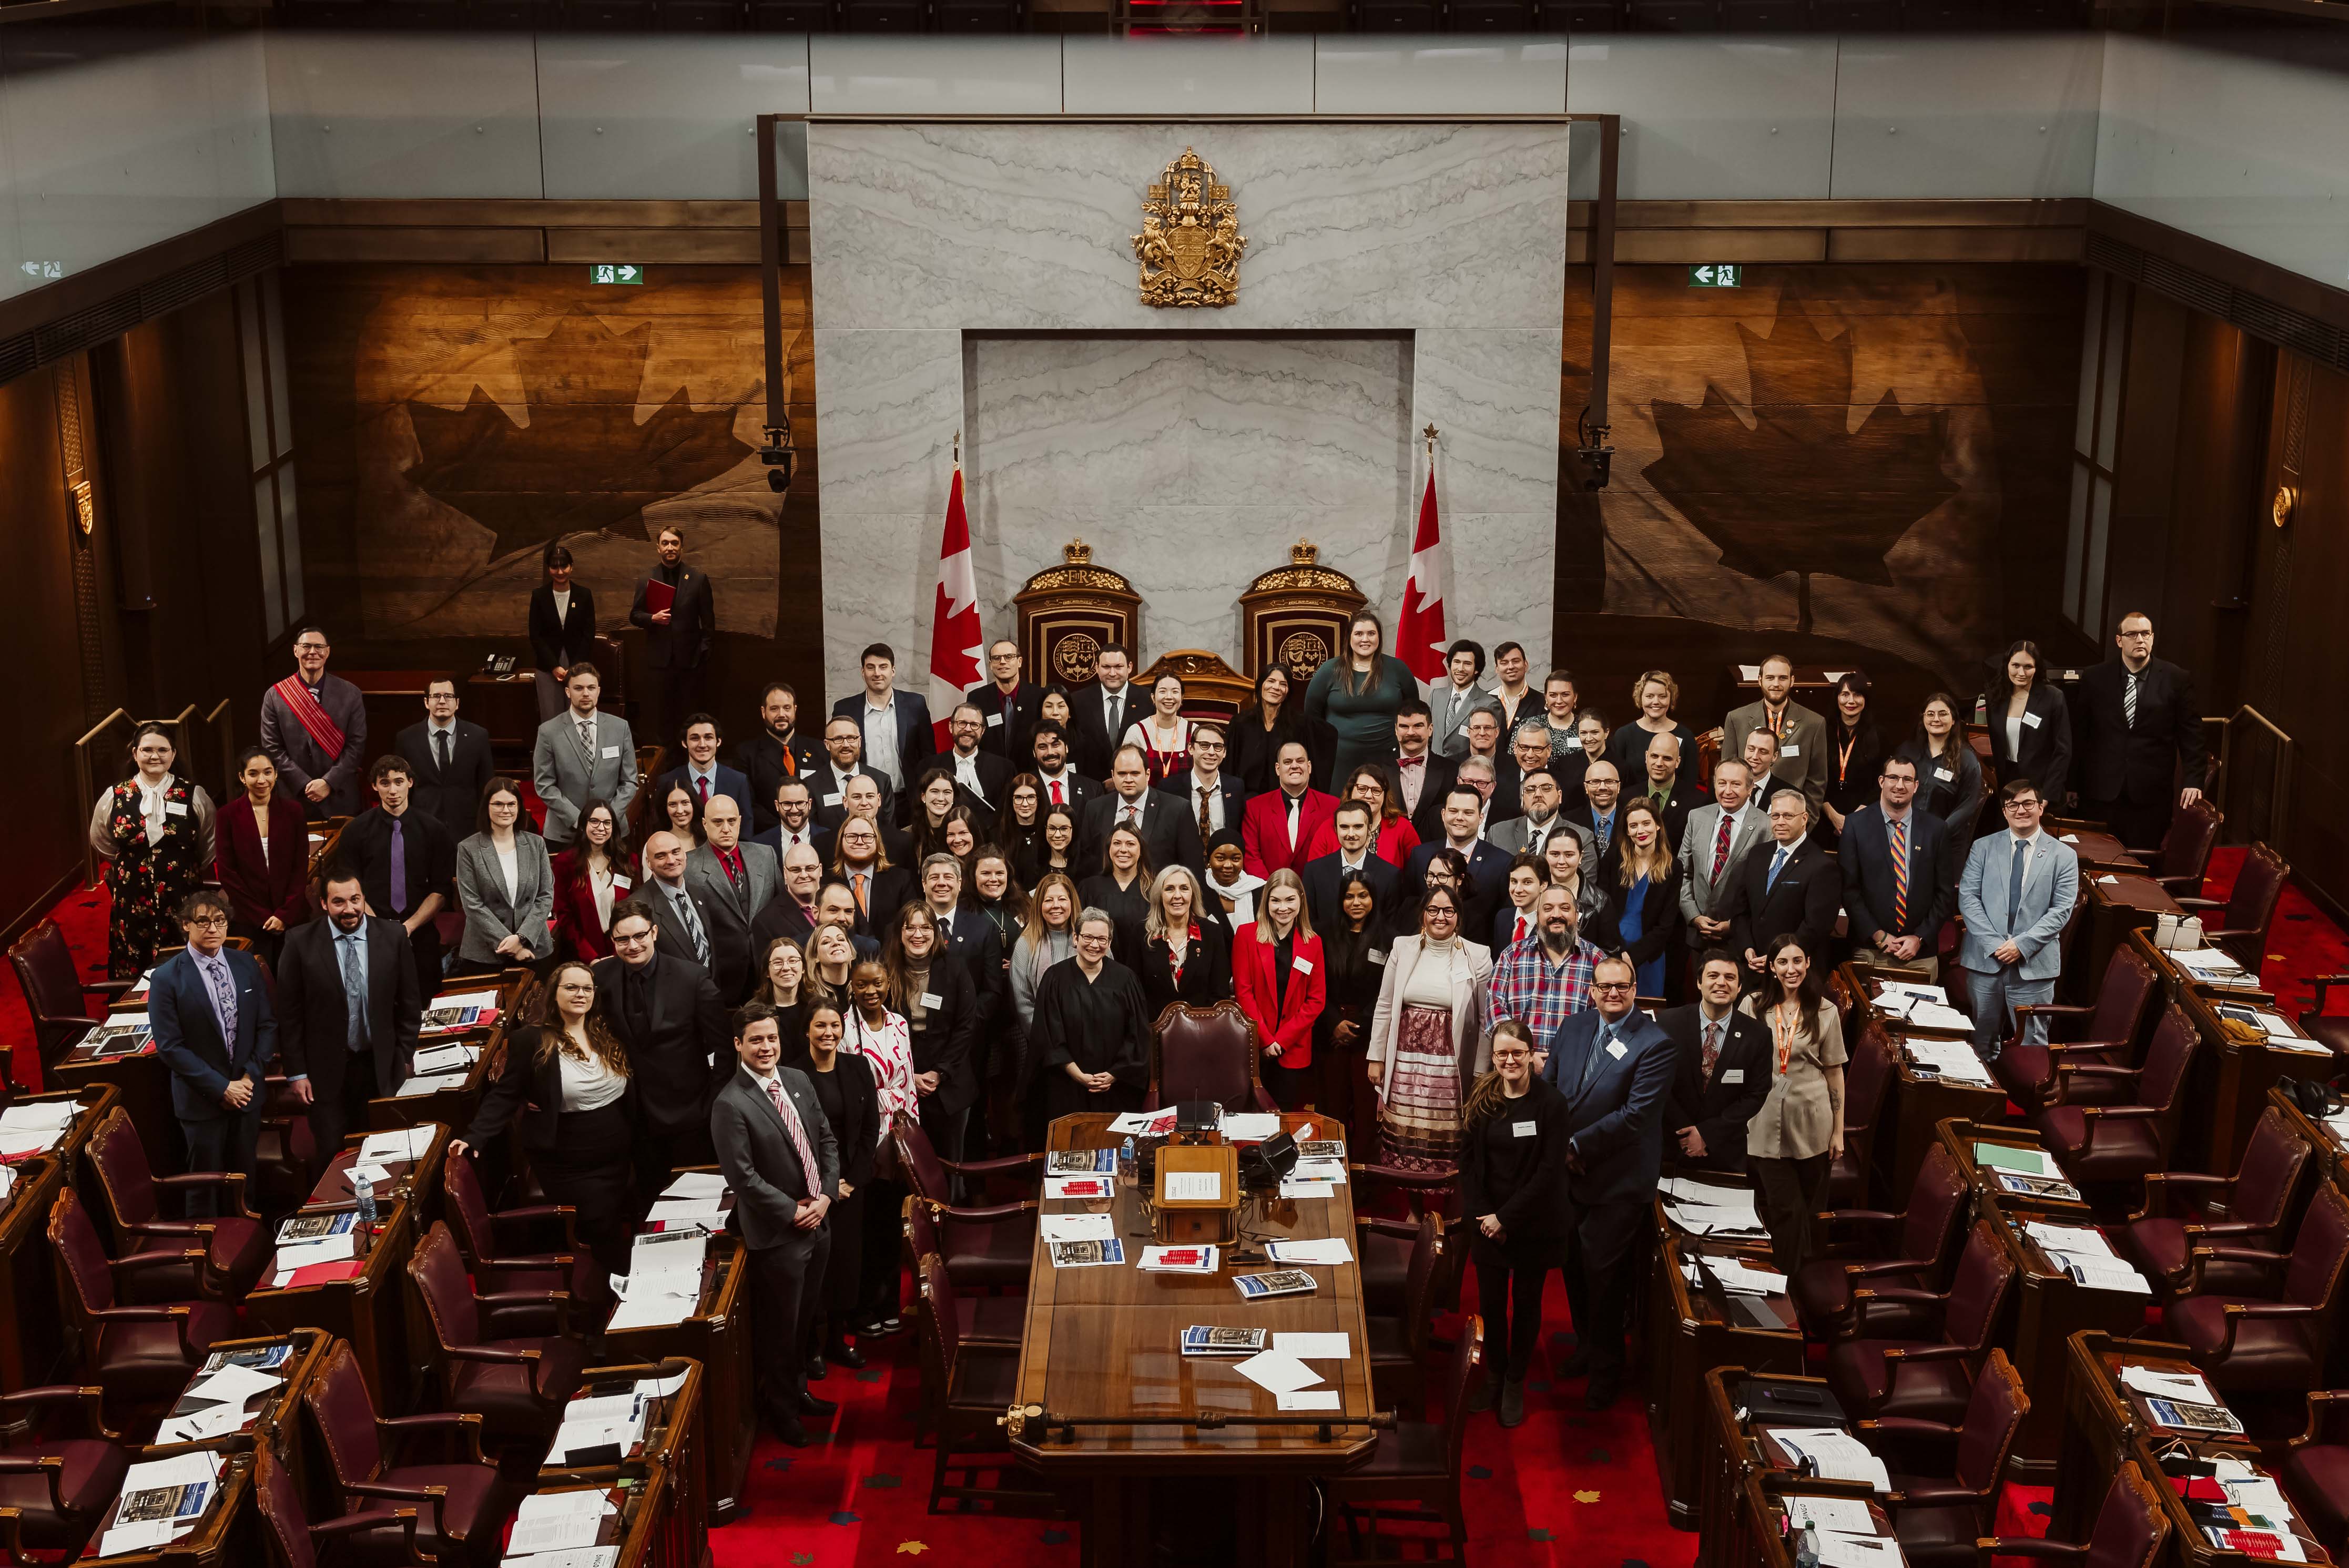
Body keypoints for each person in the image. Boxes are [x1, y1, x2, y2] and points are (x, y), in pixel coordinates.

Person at [452, 959, 642, 1289]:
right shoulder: (532, 1041)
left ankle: (616, 1287)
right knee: (601, 1227)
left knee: (619, 1218)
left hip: (618, 1152)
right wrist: (476, 1136)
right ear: (553, 994)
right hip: (569, 1159)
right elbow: (506, 1095)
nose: (580, 994)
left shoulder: (608, 1029)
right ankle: (609, 1299)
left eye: (587, 988)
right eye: (571, 987)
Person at [1541, 954, 1674, 1409]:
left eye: (1622, 986)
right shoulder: (1573, 1028)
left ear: (1634, 988)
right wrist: (1559, 1145)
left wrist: (1575, 1146)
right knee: (1573, 1268)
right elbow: (1550, 1090)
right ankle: (1586, 1346)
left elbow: (1635, 1116)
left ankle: (1607, 1368)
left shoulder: (1655, 1043)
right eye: (1605, 987)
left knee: (1604, 1278)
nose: (1613, 993)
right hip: (1569, 1175)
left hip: (1617, 1180)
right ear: (1592, 991)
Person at [708, 1000, 838, 1447]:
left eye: (772, 1038)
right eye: (756, 1040)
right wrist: (792, 1211)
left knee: (805, 1321)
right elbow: (743, 1177)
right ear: (738, 1045)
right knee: (780, 1331)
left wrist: (824, 1196)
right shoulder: (730, 1103)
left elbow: (824, 1138)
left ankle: (799, 1391)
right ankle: (781, 1411)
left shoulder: (799, 1079)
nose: (766, 1047)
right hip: (780, 1234)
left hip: (818, 1219)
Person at [1460, 1019, 1571, 1428]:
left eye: (1517, 1053)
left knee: (1525, 1306)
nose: (1509, 1060)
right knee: (1490, 1305)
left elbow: (1548, 1172)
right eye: (1502, 1053)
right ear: (1493, 1057)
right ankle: (1492, 1373)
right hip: (1486, 1221)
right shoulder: (1481, 1096)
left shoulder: (1551, 1104)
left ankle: (1514, 1381)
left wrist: (1506, 1218)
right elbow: (1468, 1163)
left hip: (1533, 1223)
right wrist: (1486, 1216)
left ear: (1530, 1054)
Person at [147, 890, 275, 1213]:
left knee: (245, 1183)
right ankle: (206, 1256)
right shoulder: (166, 978)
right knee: (205, 1189)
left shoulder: (246, 963)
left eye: (219, 921)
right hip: (202, 1102)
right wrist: (222, 1088)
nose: (213, 929)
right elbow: (170, 1048)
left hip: (246, 1095)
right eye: (203, 921)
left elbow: (266, 1026)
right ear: (186, 926)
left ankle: (249, 1248)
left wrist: (249, 1076)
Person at [596, 897, 731, 1196]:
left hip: (692, 1115)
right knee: (649, 1198)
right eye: (622, 939)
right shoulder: (600, 978)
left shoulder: (692, 977)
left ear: (654, 932)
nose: (632, 946)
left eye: (640, 936)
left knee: (696, 1197)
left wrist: (712, 1104)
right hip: (636, 1117)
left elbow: (724, 1048)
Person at [1365, 884, 1493, 1172]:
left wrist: (1480, 1071)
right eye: (1433, 910)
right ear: (1423, 914)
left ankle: (1440, 1207)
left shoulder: (1479, 955)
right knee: (1404, 1133)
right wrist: (1377, 1057)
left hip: (1449, 1069)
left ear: (1458, 916)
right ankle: (1412, 1209)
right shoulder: (1402, 947)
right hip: (1404, 1065)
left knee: (1443, 1138)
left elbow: (1487, 1018)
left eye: (1449, 911)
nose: (1440, 917)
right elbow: (1385, 1005)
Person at [1739, 934, 1846, 1276]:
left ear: (1808, 963)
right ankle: (1787, 1280)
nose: (1791, 969)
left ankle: (1795, 1282)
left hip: (1812, 1121)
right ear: (1770, 968)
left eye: (1797, 961)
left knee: (1806, 1207)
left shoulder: (1826, 1011)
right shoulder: (1752, 1006)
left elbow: (1834, 1072)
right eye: (1782, 962)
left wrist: (1838, 1131)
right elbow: (1736, 1062)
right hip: (1763, 1118)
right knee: (1785, 1206)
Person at [782, 999, 878, 1373]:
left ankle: (837, 1340)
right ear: (806, 1030)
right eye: (820, 1026)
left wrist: (851, 1180)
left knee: (845, 1266)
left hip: (850, 1186)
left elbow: (870, 1128)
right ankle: (810, 1348)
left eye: (834, 1026)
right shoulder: (790, 1073)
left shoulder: (857, 1066)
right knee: (811, 1271)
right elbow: (791, 1138)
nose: (828, 1033)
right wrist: (823, 1187)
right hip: (808, 1189)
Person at [1956, 779, 2079, 1058]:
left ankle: (2026, 1100)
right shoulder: (1983, 847)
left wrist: (2021, 946)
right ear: (2004, 811)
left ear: (2041, 807)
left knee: (2032, 1047)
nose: (2021, 810)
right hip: (1986, 960)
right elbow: (1968, 898)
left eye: (2028, 804)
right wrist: (1994, 944)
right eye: (2013, 805)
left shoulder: (2064, 856)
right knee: (1982, 1042)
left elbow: (2061, 911)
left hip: (2033, 965)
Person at [2072, 610, 2208, 851]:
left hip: (2150, 796)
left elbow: (2192, 736)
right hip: (2100, 793)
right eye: (2132, 634)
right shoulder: (2096, 677)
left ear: (2153, 638)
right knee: (2096, 860)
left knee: (2140, 867)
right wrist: (2070, 784)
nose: (2140, 640)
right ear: (2119, 640)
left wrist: (2194, 780)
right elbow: (2080, 734)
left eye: (2146, 634)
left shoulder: (2176, 679)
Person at [91, 722, 219, 980]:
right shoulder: (115, 796)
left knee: (185, 955)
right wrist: (133, 861)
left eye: (162, 750)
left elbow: (209, 841)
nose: (155, 756)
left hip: (182, 892)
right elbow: (101, 840)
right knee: (135, 956)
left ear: (173, 754)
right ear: (135, 753)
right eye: (147, 750)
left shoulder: (193, 794)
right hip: (132, 894)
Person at [842, 959, 921, 1335]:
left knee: (893, 1223)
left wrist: (911, 1137)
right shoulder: (842, 1027)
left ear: (889, 983)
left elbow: (908, 1085)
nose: (870, 991)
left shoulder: (900, 1024)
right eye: (861, 985)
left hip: (899, 1133)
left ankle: (890, 1300)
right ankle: (862, 1307)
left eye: (877, 983)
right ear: (851, 988)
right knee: (866, 1227)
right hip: (865, 1136)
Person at [341, 755, 457, 998]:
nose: (392, 790)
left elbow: (441, 890)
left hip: (421, 933)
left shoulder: (434, 830)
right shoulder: (356, 831)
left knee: (426, 1004)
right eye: (385, 783)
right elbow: (350, 889)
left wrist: (408, 928)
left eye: (398, 782)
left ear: (410, 783)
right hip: (370, 934)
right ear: (374, 786)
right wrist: (381, 929)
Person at [881, 903, 982, 1163]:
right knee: (907, 1164)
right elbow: (878, 1030)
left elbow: (966, 1026)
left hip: (949, 1079)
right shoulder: (885, 970)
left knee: (948, 1162)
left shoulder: (956, 968)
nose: (918, 934)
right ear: (899, 932)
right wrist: (909, 1076)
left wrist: (939, 1073)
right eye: (910, 927)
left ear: (936, 932)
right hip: (901, 1079)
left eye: (926, 927)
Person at [1031, 908, 1154, 1118]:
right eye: (1088, 937)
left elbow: (1137, 1035)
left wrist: (1114, 1075)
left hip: (1117, 1086)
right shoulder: (1055, 979)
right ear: (1076, 938)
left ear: (1110, 941)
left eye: (1102, 939)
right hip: (1067, 1085)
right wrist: (1078, 1075)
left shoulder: (1126, 980)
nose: (1095, 945)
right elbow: (1048, 1035)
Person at [1661, 949, 1773, 1175]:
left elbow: (1756, 1094)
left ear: (1740, 987)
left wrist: (1707, 1134)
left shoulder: (1758, 1035)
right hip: (1671, 1147)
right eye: (1713, 976)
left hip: (1725, 1150)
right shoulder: (1667, 1023)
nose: (1721, 983)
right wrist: (1686, 1134)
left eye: (1730, 977)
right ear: (1699, 983)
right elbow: (1658, 1083)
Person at [1842, 755, 1953, 974]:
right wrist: (1878, 935)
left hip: (1920, 954)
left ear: (1916, 785)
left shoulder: (1936, 829)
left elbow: (1945, 893)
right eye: (1893, 778)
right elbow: (1849, 890)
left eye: (1907, 779)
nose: (1900, 785)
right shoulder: (1855, 825)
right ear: (1881, 781)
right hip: (1871, 950)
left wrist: (1920, 938)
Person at [1225, 868, 1323, 1109]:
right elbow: (1243, 992)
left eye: (1290, 899)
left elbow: (1316, 1000)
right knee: (1250, 1119)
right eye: (1276, 900)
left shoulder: (1313, 942)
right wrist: (1267, 1040)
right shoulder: (1246, 935)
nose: (1283, 908)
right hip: (1255, 1047)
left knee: (1286, 1120)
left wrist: (1283, 1040)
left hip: (1294, 1049)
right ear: (1266, 900)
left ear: (1301, 898)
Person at [1723, 789, 1839, 983]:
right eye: (1775, 816)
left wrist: (1778, 957)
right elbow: (1740, 910)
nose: (1780, 822)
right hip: (1752, 968)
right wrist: (1747, 947)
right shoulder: (1758, 854)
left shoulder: (1822, 865)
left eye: (1788, 816)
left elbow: (1816, 927)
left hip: (1793, 975)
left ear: (1804, 818)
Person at [1484, 882, 1602, 1072]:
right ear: (1538, 917)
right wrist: (1526, 1056)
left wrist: (1565, 1061)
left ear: (1576, 915)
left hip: (1575, 1073)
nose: (1556, 915)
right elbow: (1494, 1010)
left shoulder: (1596, 960)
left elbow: (1605, 1020)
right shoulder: (1512, 955)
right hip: (1517, 1070)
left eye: (1565, 908)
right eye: (1548, 909)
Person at [260, 625, 368, 819]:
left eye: (319, 647)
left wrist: (328, 782)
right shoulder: (275, 696)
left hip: (340, 795)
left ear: (327, 652)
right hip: (295, 797)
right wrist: (304, 784)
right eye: (306, 646)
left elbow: (356, 745)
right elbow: (272, 748)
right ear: (296, 650)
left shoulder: (351, 693)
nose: (313, 652)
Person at [1677, 758, 1768, 987]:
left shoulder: (1766, 826)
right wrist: (1693, 916)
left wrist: (1733, 924)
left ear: (1751, 788)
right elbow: (1683, 873)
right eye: (1722, 783)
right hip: (1699, 936)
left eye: (1736, 784)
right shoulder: (1696, 817)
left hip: (1741, 943)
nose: (1728, 791)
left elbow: (1766, 890)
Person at [215, 745, 306, 969]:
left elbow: (300, 867)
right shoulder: (227, 815)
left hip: (292, 917)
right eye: (253, 773)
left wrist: (284, 914)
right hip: (249, 921)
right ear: (242, 777)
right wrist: (262, 917)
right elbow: (228, 873)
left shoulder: (294, 811)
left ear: (275, 773)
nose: (261, 780)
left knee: (294, 982)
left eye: (267, 772)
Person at [1316, 870, 1388, 1148]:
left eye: (1363, 895)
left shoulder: (1390, 938)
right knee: (1331, 1110)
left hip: (1368, 1037)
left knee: (1366, 1112)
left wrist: (1357, 1026)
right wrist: (1334, 1022)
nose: (1356, 902)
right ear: (1340, 900)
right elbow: (1314, 985)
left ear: (1373, 899)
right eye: (1349, 896)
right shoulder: (1321, 935)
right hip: (1329, 1034)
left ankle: (1363, 1179)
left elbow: (1388, 992)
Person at [454, 777, 555, 974]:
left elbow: (545, 896)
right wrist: (511, 945)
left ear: (519, 807)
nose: (505, 810)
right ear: (486, 807)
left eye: (511, 804)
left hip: (533, 948)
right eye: (498, 804)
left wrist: (522, 938)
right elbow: (472, 904)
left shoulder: (536, 844)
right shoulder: (468, 848)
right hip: (485, 953)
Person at [532, 663, 638, 850]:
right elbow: (544, 785)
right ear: (567, 692)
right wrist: (580, 821)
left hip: (612, 831)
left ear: (599, 691)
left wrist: (606, 819)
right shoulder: (548, 731)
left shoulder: (620, 728)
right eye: (578, 688)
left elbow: (630, 782)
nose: (586, 693)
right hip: (565, 833)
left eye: (591, 688)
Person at [631, 524, 717, 748]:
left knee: (689, 719)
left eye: (674, 543)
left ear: (682, 547)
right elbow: (635, 615)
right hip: (659, 663)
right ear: (658, 548)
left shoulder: (698, 579)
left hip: (690, 664)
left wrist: (702, 655)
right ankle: (664, 769)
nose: (670, 548)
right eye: (665, 543)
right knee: (662, 719)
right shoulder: (647, 579)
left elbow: (708, 624)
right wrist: (652, 619)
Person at [685, 796, 777, 1002]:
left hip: (768, 970)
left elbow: (781, 908)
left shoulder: (765, 855)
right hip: (720, 975)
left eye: (732, 821)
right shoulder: (688, 866)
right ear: (704, 824)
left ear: (740, 822)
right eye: (718, 822)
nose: (726, 828)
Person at [1306, 609, 1416, 779]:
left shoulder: (1398, 669)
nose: (1365, 639)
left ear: (1379, 638)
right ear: (1349, 638)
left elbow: (1413, 712)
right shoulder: (1329, 670)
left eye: (1371, 633)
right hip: (1338, 761)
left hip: (1389, 759)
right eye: (1359, 634)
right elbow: (1312, 717)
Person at [833, 643, 938, 813]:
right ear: (862, 672)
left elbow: (928, 755)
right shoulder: (845, 709)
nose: (877, 673)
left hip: (908, 800)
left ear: (893, 671)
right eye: (871, 668)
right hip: (865, 802)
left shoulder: (915, 705)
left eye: (883, 667)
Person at [1898, 693, 1986, 888]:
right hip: (1905, 838)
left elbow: (1969, 804)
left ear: (1954, 719)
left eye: (1943, 714)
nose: (1936, 719)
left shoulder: (1966, 759)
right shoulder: (1908, 751)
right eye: (1930, 714)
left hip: (1945, 844)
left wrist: (1938, 832)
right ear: (1923, 718)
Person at [1127, 864, 1234, 1021]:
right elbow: (1135, 992)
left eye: (1184, 888)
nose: (1177, 895)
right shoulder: (1141, 934)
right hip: (1153, 1030)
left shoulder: (1212, 933)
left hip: (1202, 1030)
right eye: (1170, 889)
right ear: (1159, 895)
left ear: (1193, 894)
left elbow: (1219, 993)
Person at [1724, 654, 1829, 809]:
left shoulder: (1814, 723)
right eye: (1770, 678)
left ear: (1792, 681)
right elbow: (1728, 771)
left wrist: (1804, 821)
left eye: (1782, 678)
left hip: (1790, 815)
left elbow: (1817, 781)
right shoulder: (1736, 719)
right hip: (1744, 811)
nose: (1776, 684)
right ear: (1760, 680)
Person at [1080, 745, 1203, 877]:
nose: (1128, 780)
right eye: (1122, 774)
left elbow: (1192, 868)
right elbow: (1087, 864)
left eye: (1135, 773)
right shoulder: (1095, 808)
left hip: (1157, 894)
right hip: (1107, 895)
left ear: (1148, 774)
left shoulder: (1177, 809)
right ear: (1113, 775)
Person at [396, 676, 494, 842]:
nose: (442, 701)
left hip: (467, 826)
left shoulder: (478, 736)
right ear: (427, 702)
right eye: (436, 696)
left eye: (448, 696)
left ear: (457, 703)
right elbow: (402, 785)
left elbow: (485, 783)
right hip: (422, 824)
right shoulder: (407, 738)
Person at [1404, 786, 1511, 937]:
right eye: (1453, 811)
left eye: (1468, 813)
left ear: (1481, 818)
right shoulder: (1420, 855)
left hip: (1476, 954)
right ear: (1443, 814)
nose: (1459, 818)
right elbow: (1408, 907)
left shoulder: (1502, 862)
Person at [1982, 639, 2072, 807]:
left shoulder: (2053, 697)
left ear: (2037, 668)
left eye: (2028, 667)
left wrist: (2047, 795)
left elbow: (2063, 751)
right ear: (2007, 665)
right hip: (2007, 784)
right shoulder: (1995, 697)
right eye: (2016, 665)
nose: (2021, 673)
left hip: (2041, 787)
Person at [1607, 799, 1682, 999]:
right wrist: (1617, 954)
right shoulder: (1615, 860)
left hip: (1649, 957)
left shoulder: (1673, 868)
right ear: (1628, 831)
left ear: (1658, 825)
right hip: (1612, 952)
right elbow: (1602, 910)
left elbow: (1666, 926)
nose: (1641, 830)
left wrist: (1632, 957)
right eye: (1634, 826)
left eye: (1646, 823)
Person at [1243, 741, 1339, 880]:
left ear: (1309, 766)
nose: (1295, 766)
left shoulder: (1333, 807)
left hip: (1317, 894)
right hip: (1268, 894)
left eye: (1300, 761)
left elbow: (1336, 854)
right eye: (1288, 762)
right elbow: (1251, 856)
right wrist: (1272, 890)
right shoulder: (1255, 807)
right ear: (1277, 769)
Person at [1303, 800, 1405, 930]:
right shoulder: (1314, 871)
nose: (1351, 834)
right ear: (1336, 829)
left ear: (1369, 829)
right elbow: (1309, 924)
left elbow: (1390, 928)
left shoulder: (1390, 875)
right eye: (1344, 827)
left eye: (1358, 827)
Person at [553, 800, 634, 962]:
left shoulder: (626, 861)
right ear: (583, 825)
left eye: (607, 823)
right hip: (584, 954)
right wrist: (590, 957)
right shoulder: (566, 863)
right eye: (594, 821)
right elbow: (565, 917)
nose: (601, 828)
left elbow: (634, 910)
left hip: (625, 951)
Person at [528, 545, 599, 722]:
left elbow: (589, 634)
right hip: (548, 666)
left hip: (577, 665)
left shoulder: (583, 595)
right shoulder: (539, 596)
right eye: (554, 567)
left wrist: (574, 669)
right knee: (551, 719)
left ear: (571, 566)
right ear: (548, 569)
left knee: (578, 717)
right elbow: (535, 635)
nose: (560, 572)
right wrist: (554, 666)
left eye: (564, 566)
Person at [741, 683, 823, 836]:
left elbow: (824, 795)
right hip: (770, 837)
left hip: (814, 835)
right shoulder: (747, 754)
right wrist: (787, 827)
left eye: (787, 708)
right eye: (774, 709)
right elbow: (749, 804)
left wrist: (804, 826)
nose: (781, 714)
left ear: (795, 710)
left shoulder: (819, 750)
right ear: (763, 712)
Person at [1303, 764, 1420, 869]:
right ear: (1350, 791)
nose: (1369, 796)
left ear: (1385, 795)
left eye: (1376, 790)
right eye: (1362, 789)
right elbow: (1316, 874)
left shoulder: (1402, 828)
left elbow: (1417, 873)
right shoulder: (1329, 827)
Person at [1232, 664, 1323, 796]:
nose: (1276, 688)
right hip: (1247, 801)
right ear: (1261, 685)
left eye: (1283, 684)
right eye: (1271, 681)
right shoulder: (1240, 724)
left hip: (1287, 799)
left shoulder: (1300, 725)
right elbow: (1230, 769)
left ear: (1288, 691)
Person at [1821, 671, 1886, 843]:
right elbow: (1813, 776)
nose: (1851, 701)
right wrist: (1833, 816)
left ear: (1866, 699)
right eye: (1845, 694)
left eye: (1857, 695)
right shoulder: (1822, 731)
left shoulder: (1879, 734)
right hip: (1825, 817)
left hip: (1866, 817)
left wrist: (1856, 817)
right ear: (1837, 698)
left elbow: (1883, 779)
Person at [655, 713, 755, 826]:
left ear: (718, 742)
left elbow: (746, 827)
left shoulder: (738, 781)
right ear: (684, 743)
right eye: (695, 738)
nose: (702, 744)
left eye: (708, 738)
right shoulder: (667, 781)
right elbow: (662, 826)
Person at [1068, 644, 1147, 782]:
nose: (1112, 673)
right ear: (1097, 668)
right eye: (1106, 667)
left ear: (1130, 667)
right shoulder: (1078, 701)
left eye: (1118, 667)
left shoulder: (1148, 700)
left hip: (1135, 784)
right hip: (1091, 786)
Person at [1162, 722, 1244, 850]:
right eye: (1204, 745)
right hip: (1183, 866)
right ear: (1191, 748)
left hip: (1223, 865)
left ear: (1225, 752)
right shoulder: (1169, 788)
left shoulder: (1236, 787)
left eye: (1218, 747)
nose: (1211, 752)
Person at [1487, 765, 1589, 862]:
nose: (1538, 795)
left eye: (1546, 789)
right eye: (1530, 790)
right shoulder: (1497, 834)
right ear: (1523, 798)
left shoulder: (1583, 838)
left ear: (1560, 796)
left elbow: (1585, 880)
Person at [1603, 670, 1697, 776]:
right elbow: (1615, 777)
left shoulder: (1686, 736)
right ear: (1640, 698)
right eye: (1650, 696)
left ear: (1671, 699)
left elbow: (1690, 782)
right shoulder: (1624, 735)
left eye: (1662, 696)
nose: (1656, 702)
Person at [1394, 699, 1462, 844]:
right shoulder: (1378, 768)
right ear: (1396, 730)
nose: (1411, 732)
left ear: (1430, 729)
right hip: (1390, 853)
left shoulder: (1451, 770)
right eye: (1404, 727)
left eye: (1418, 726)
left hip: (1435, 852)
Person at [968, 639, 1043, 762]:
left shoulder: (1039, 696)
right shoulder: (977, 698)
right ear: (991, 665)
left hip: (1029, 775)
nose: (1002, 662)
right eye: (996, 658)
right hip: (991, 772)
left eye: (1009, 657)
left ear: (1019, 662)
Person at [813, 715, 892, 832]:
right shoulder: (812, 785)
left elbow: (889, 830)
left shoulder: (881, 780)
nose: (846, 745)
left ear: (859, 741)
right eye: (838, 739)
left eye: (851, 738)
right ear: (827, 744)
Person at [1430, 639, 1501, 760]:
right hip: (1435, 771)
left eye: (1467, 664)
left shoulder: (1489, 704)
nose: (1460, 669)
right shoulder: (1436, 695)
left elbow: (1491, 749)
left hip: (1467, 772)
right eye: (1457, 662)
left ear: (1476, 669)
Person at [1122, 673, 1195, 788]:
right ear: (1153, 697)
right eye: (1163, 691)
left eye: (1175, 692)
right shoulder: (1137, 731)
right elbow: (1126, 773)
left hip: (1186, 802)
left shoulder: (1194, 731)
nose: (1169, 697)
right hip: (1147, 801)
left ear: (1182, 698)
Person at [939, 704, 1013, 816]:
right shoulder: (929, 766)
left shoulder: (1005, 769)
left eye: (974, 725)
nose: (968, 729)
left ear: (983, 731)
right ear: (951, 727)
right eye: (962, 723)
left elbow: (1007, 815)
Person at [1079, 823, 1154, 934]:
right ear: (1109, 849)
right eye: (1117, 843)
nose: (1123, 850)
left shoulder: (1153, 890)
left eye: (1130, 844)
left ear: (1141, 850)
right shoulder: (1089, 888)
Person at [1543, 830, 1611, 937]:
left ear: (1581, 857)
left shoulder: (1600, 901)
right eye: (1555, 854)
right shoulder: (1532, 892)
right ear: (1545, 856)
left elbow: (1610, 951)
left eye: (1569, 855)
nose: (1561, 861)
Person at [755, 778, 831, 866]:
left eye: (800, 803)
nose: (794, 810)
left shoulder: (830, 839)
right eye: (787, 804)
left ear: (809, 804)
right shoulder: (760, 844)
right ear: (777, 805)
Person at [1564, 760, 1625, 864]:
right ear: (1586, 788)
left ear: (1618, 787)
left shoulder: (1632, 821)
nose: (1602, 787)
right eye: (1595, 782)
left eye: (1610, 781)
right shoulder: (1569, 822)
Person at [1492, 854, 1549, 954]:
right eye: (1514, 881)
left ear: (1543, 885)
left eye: (1527, 882)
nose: (1518, 890)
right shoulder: (1502, 917)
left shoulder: (1551, 922)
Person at [1489, 642, 1538, 737]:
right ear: (1497, 669)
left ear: (1526, 665)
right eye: (1504, 663)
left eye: (1516, 661)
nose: (1511, 667)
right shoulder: (1484, 700)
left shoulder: (1543, 702)